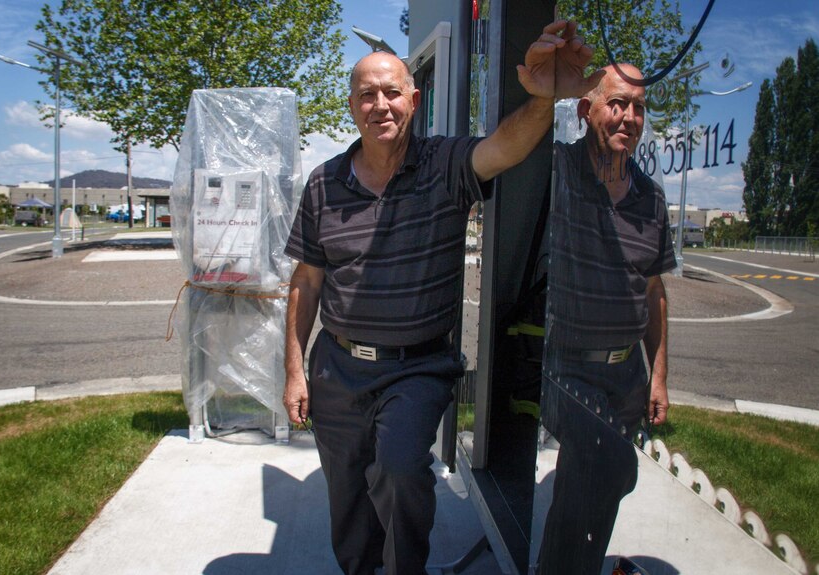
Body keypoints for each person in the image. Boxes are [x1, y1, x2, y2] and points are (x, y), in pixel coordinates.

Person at [282, 20, 603, 575]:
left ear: (414, 98)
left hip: (416, 367)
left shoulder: (446, 165)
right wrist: (294, 368)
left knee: (401, 470)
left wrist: (545, 100)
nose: (379, 104)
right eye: (366, 95)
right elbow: (306, 282)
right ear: (352, 107)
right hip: (337, 367)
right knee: (349, 499)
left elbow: (506, 146)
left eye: (391, 92)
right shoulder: (323, 183)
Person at [534, 63, 676, 574]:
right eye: (617, 103)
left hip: (626, 377)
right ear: (585, 108)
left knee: (589, 488)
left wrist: (657, 375)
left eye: (638, 107)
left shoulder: (651, 198)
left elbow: (655, 291)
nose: (629, 117)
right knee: (611, 464)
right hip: (562, 368)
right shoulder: (553, 172)